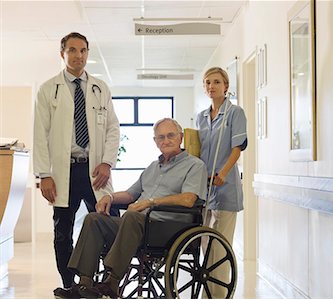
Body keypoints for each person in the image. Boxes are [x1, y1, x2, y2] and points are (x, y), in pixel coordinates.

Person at [53, 118, 208, 299]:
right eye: (161, 137)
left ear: (180, 137)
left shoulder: (195, 165)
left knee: (131, 217)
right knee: (94, 219)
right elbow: (130, 194)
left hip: (168, 228)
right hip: (138, 225)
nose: (166, 140)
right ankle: (84, 285)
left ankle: (111, 282)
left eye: (170, 135)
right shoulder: (152, 167)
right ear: (155, 142)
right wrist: (109, 197)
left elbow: (189, 199)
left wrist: (151, 202)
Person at [33, 32, 120, 293]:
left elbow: (113, 129)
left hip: (95, 171)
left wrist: (106, 162)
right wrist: (44, 174)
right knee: (63, 232)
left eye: (82, 50)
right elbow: (40, 133)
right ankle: (70, 285)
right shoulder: (49, 89)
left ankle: (106, 282)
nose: (78, 55)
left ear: (87, 53)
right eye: (72, 50)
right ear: (63, 54)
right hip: (63, 171)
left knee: (110, 223)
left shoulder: (100, 87)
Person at [196, 67, 247, 298]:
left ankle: (219, 296)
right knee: (205, 244)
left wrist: (223, 173)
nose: (211, 86)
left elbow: (237, 149)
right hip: (205, 189)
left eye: (216, 82)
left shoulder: (235, 113)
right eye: (207, 83)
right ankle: (208, 294)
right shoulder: (201, 117)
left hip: (225, 188)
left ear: (226, 86)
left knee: (220, 247)